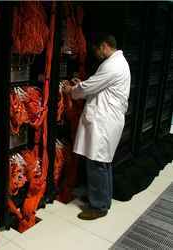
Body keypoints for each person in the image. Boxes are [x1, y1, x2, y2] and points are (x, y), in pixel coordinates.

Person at [63, 33, 131, 220]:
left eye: (98, 49)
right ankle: (102, 199)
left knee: (97, 163)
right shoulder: (119, 63)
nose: (97, 53)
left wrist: (72, 90)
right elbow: (96, 86)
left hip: (104, 122)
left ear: (105, 46)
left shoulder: (112, 65)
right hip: (107, 120)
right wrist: (82, 85)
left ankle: (98, 206)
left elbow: (89, 88)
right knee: (103, 163)